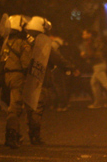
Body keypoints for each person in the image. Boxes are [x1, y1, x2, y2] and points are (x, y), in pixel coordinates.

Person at [25, 16, 77, 145]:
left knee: (26, 109)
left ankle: (14, 136)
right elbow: (56, 58)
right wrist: (70, 67)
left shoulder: (23, 40)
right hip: (39, 78)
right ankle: (34, 136)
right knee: (37, 108)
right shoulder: (43, 42)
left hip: (24, 78)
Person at [2, 15, 32, 148]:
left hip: (6, 76)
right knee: (15, 108)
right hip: (17, 77)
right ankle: (11, 137)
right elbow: (26, 64)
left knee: (11, 106)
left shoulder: (6, 42)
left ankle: (17, 135)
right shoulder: (22, 43)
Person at [80, 29, 107, 109]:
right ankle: (98, 102)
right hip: (101, 63)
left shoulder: (89, 42)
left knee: (105, 83)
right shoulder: (98, 40)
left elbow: (91, 54)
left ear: (89, 34)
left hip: (97, 65)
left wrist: (84, 55)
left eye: (84, 34)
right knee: (94, 82)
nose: (83, 36)